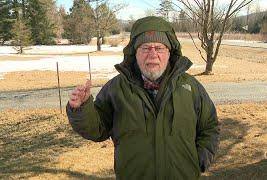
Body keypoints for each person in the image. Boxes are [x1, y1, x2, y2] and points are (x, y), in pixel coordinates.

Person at [66, 16, 220, 180]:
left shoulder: (190, 87)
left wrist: (199, 161)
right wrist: (81, 109)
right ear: (135, 53)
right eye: (145, 48)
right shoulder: (116, 88)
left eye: (159, 48)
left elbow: (210, 127)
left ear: (170, 53)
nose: (153, 55)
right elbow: (97, 129)